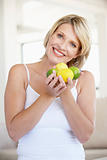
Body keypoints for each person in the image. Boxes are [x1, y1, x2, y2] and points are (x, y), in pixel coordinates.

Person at [4, 14, 96, 160]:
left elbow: (84, 136)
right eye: (60, 36)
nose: (62, 46)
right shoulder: (20, 72)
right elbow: (15, 133)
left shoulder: (85, 79)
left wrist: (65, 92)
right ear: (51, 35)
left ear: (77, 53)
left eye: (73, 44)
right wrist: (48, 95)